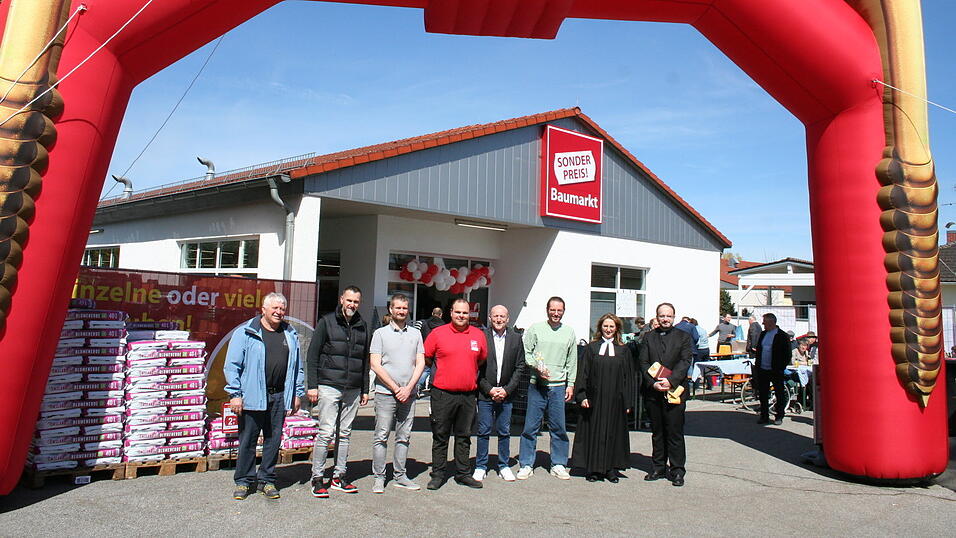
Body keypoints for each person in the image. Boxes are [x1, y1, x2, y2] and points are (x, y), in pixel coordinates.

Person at [224, 292, 304, 501]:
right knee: (248, 440)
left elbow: (298, 367)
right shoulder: (246, 332)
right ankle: (243, 481)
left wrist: (296, 393)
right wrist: (235, 394)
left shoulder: (290, 334)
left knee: (273, 440)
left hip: (279, 396)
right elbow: (232, 366)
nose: (279, 312)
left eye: (282, 309)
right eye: (275, 308)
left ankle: (266, 479)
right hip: (252, 395)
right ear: (264, 309)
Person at [306, 286, 370, 498]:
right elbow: (313, 355)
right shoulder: (326, 322)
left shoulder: (362, 326)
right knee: (326, 433)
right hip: (329, 385)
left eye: (356, 302)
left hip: (352, 388)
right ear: (342, 299)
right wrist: (313, 385)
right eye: (349, 300)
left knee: (345, 434)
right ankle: (317, 477)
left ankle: (339, 476)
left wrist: (364, 389)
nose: (352, 305)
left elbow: (364, 361)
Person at [424, 298, 487, 490]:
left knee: (464, 436)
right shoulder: (437, 333)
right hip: (442, 394)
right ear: (451, 313)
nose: (461, 316)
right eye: (458, 312)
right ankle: (438, 474)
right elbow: (427, 358)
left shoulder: (478, 335)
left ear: (470, 315)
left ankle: (463, 473)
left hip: (468, 395)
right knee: (440, 435)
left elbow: (481, 360)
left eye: (465, 313)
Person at [369, 293, 426, 493]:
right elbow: (375, 364)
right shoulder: (380, 334)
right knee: (381, 435)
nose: (401, 311)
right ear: (391, 310)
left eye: (404, 308)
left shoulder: (416, 334)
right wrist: (395, 388)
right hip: (386, 393)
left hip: (408, 394)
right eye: (398, 308)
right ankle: (379, 476)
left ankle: (400, 475)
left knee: (404, 436)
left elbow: (421, 362)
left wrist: (409, 387)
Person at [517, 296, 577, 481]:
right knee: (530, 427)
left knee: (558, 427)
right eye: (553, 310)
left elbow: (572, 360)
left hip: (558, 387)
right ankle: (526, 464)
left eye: (559, 310)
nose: (556, 313)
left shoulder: (569, 332)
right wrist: (536, 366)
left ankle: (558, 464)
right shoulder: (536, 329)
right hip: (537, 385)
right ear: (547, 310)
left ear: (564, 311)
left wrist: (571, 383)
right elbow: (526, 352)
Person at [572, 313, 634, 483]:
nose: (608, 329)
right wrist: (581, 394)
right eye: (605, 326)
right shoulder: (592, 348)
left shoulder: (623, 350)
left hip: (616, 400)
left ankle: (610, 469)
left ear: (617, 329)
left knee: (613, 433)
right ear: (600, 328)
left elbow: (628, 377)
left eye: (611, 326)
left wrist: (628, 401)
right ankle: (593, 469)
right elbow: (583, 372)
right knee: (594, 432)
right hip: (594, 399)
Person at [637, 302, 692, 487]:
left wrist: (671, 381)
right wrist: (653, 383)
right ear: (657, 317)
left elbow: (685, 361)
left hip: (675, 390)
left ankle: (677, 470)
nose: (665, 319)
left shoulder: (683, 337)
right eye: (662, 316)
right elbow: (643, 363)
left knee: (674, 432)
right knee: (657, 432)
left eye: (668, 316)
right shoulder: (648, 337)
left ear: (674, 317)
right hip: (654, 392)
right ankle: (658, 467)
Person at [473, 305, 526, 483]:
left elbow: (520, 367)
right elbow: (476, 367)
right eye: (495, 316)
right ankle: (481, 466)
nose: (498, 319)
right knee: (483, 431)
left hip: (507, 394)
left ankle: (503, 465)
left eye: (502, 316)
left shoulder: (517, 339)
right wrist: (489, 389)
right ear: (490, 318)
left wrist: (506, 389)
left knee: (504, 431)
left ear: (508, 318)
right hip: (486, 394)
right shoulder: (482, 336)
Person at [753, 312, 791, 425]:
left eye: (765, 322)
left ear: (771, 322)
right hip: (763, 369)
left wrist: (781, 367)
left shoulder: (782, 335)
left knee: (779, 392)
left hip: (775, 369)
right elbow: (759, 350)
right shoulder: (763, 334)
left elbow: (787, 354)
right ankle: (764, 416)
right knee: (763, 393)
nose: (763, 323)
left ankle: (779, 415)